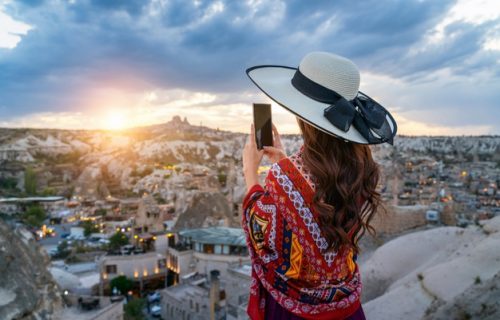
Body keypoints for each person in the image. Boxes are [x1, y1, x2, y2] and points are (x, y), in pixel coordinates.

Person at [241, 52, 398, 320]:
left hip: (296, 311)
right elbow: (316, 205)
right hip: (347, 308)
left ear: (303, 116)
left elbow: (262, 239)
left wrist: (250, 173)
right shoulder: (363, 168)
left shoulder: (284, 177)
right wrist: (282, 159)